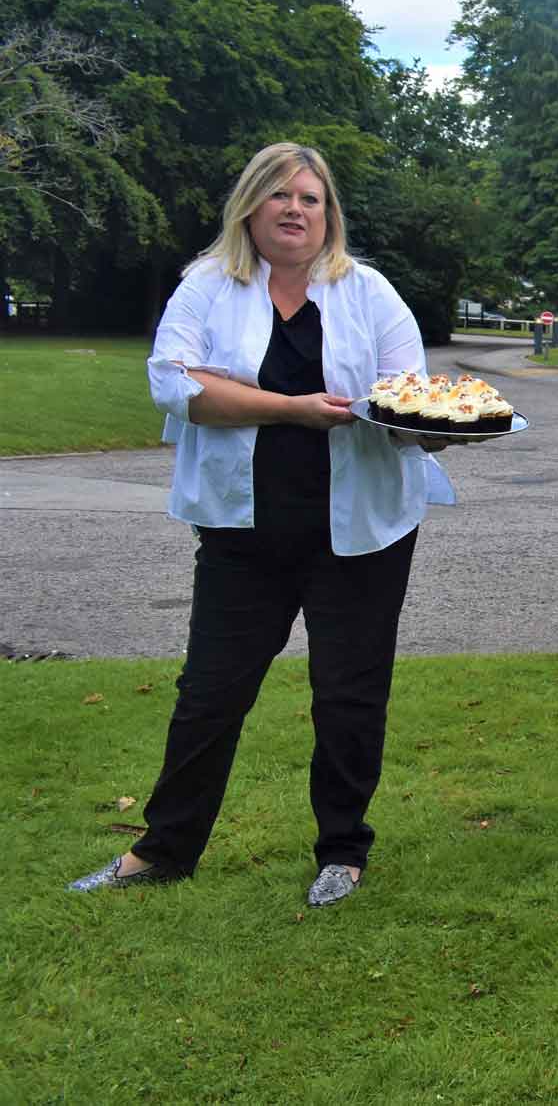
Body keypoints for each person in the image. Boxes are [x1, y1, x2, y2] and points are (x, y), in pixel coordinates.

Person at [68, 142, 450, 909]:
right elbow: (175, 384)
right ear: (251, 205)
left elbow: (412, 396)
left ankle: (343, 851)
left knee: (348, 694)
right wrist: (294, 408)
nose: (295, 210)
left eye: (311, 199)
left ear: (328, 214)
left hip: (362, 532)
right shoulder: (209, 287)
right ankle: (163, 849)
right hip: (244, 532)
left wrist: (430, 424)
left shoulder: (367, 291)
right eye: (280, 195)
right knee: (210, 691)